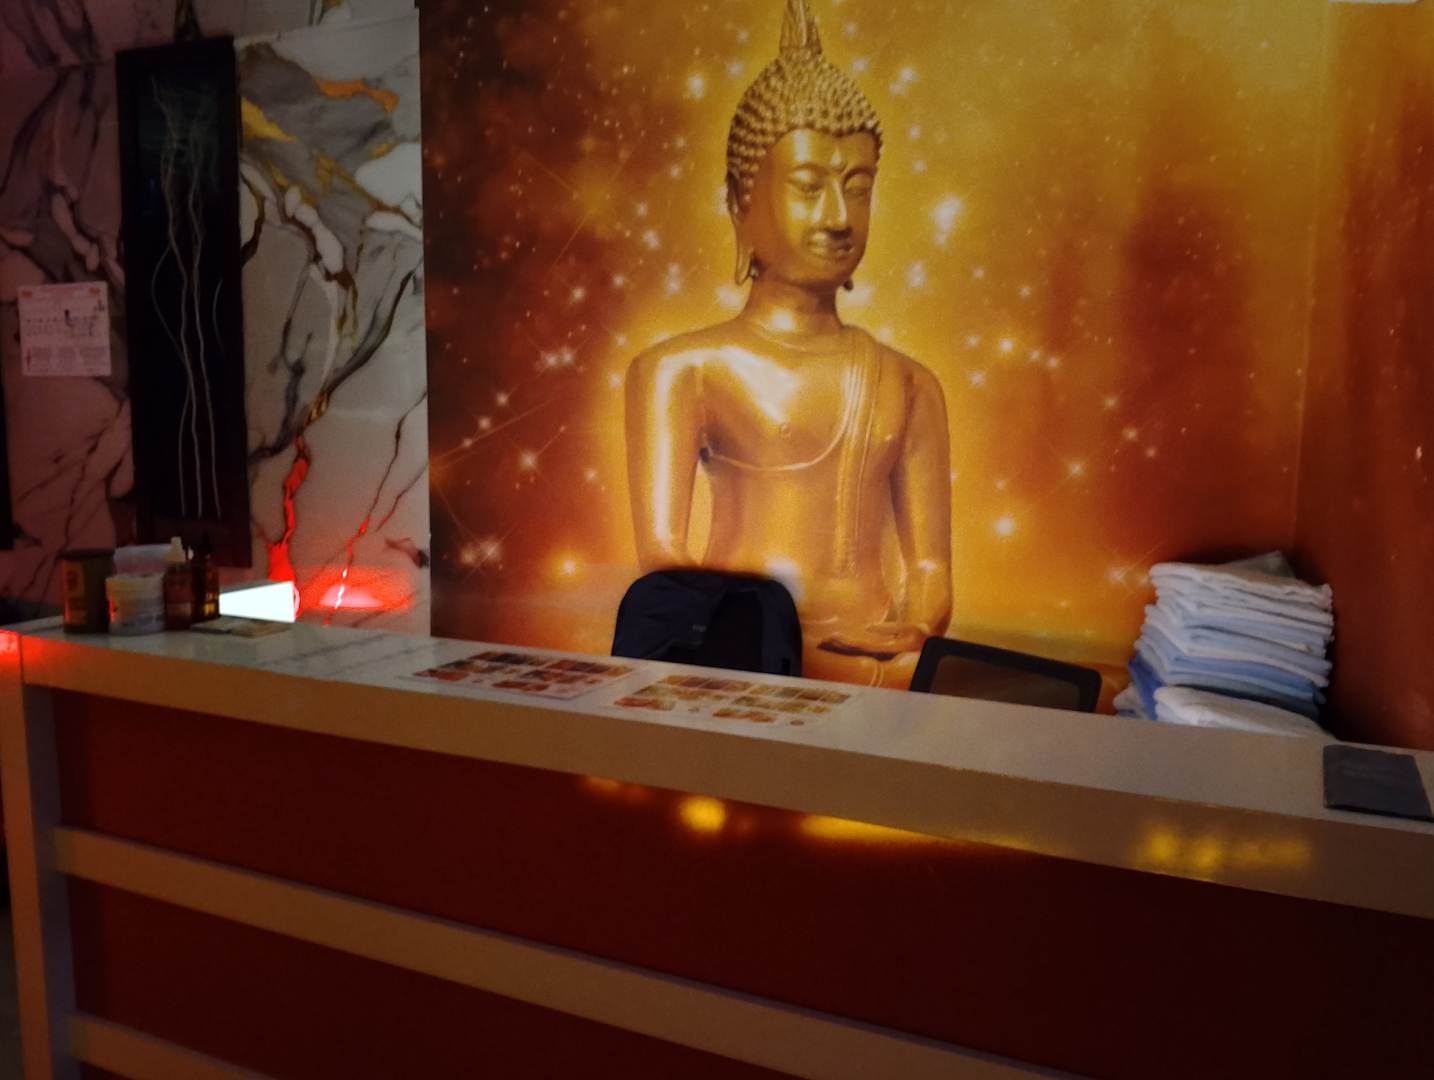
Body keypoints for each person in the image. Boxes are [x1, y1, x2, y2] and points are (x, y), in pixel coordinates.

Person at [625, 0, 952, 687]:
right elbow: (664, 563)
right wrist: (755, 638)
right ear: (740, 203)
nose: (838, 217)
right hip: (735, 659)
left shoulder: (909, 383)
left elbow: (929, 568)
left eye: (858, 188)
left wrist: (915, 624)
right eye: (808, 187)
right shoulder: (682, 370)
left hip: (871, 668)